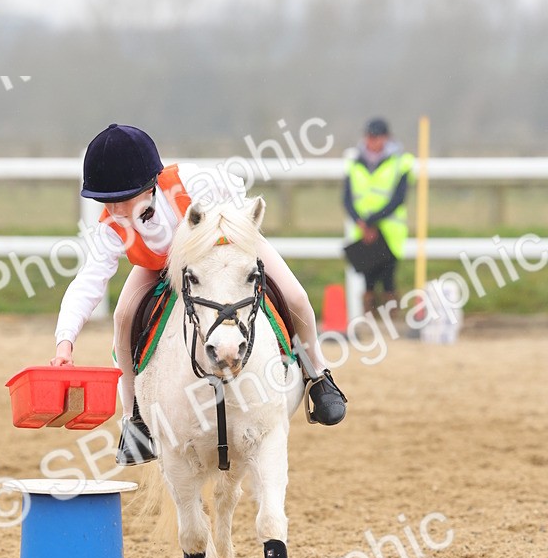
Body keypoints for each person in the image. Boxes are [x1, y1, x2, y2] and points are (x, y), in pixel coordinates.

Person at [51, 124, 347, 463]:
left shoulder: (191, 182)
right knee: (122, 317)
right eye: (107, 203)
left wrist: (231, 243)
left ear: (150, 185)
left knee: (295, 297)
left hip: (221, 249)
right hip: (161, 264)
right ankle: (135, 419)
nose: (116, 212)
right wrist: (65, 342)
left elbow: (236, 195)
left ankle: (318, 376)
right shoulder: (112, 226)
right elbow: (89, 281)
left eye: (122, 200)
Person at [344, 118, 414, 314]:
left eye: (376, 137)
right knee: (368, 275)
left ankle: (391, 316)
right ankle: (370, 317)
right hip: (364, 229)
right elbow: (347, 197)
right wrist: (361, 221)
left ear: (386, 138)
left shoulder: (401, 162)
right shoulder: (354, 162)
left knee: (388, 273)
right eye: (370, 136)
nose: (372, 141)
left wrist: (371, 221)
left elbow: (398, 198)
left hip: (390, 229)